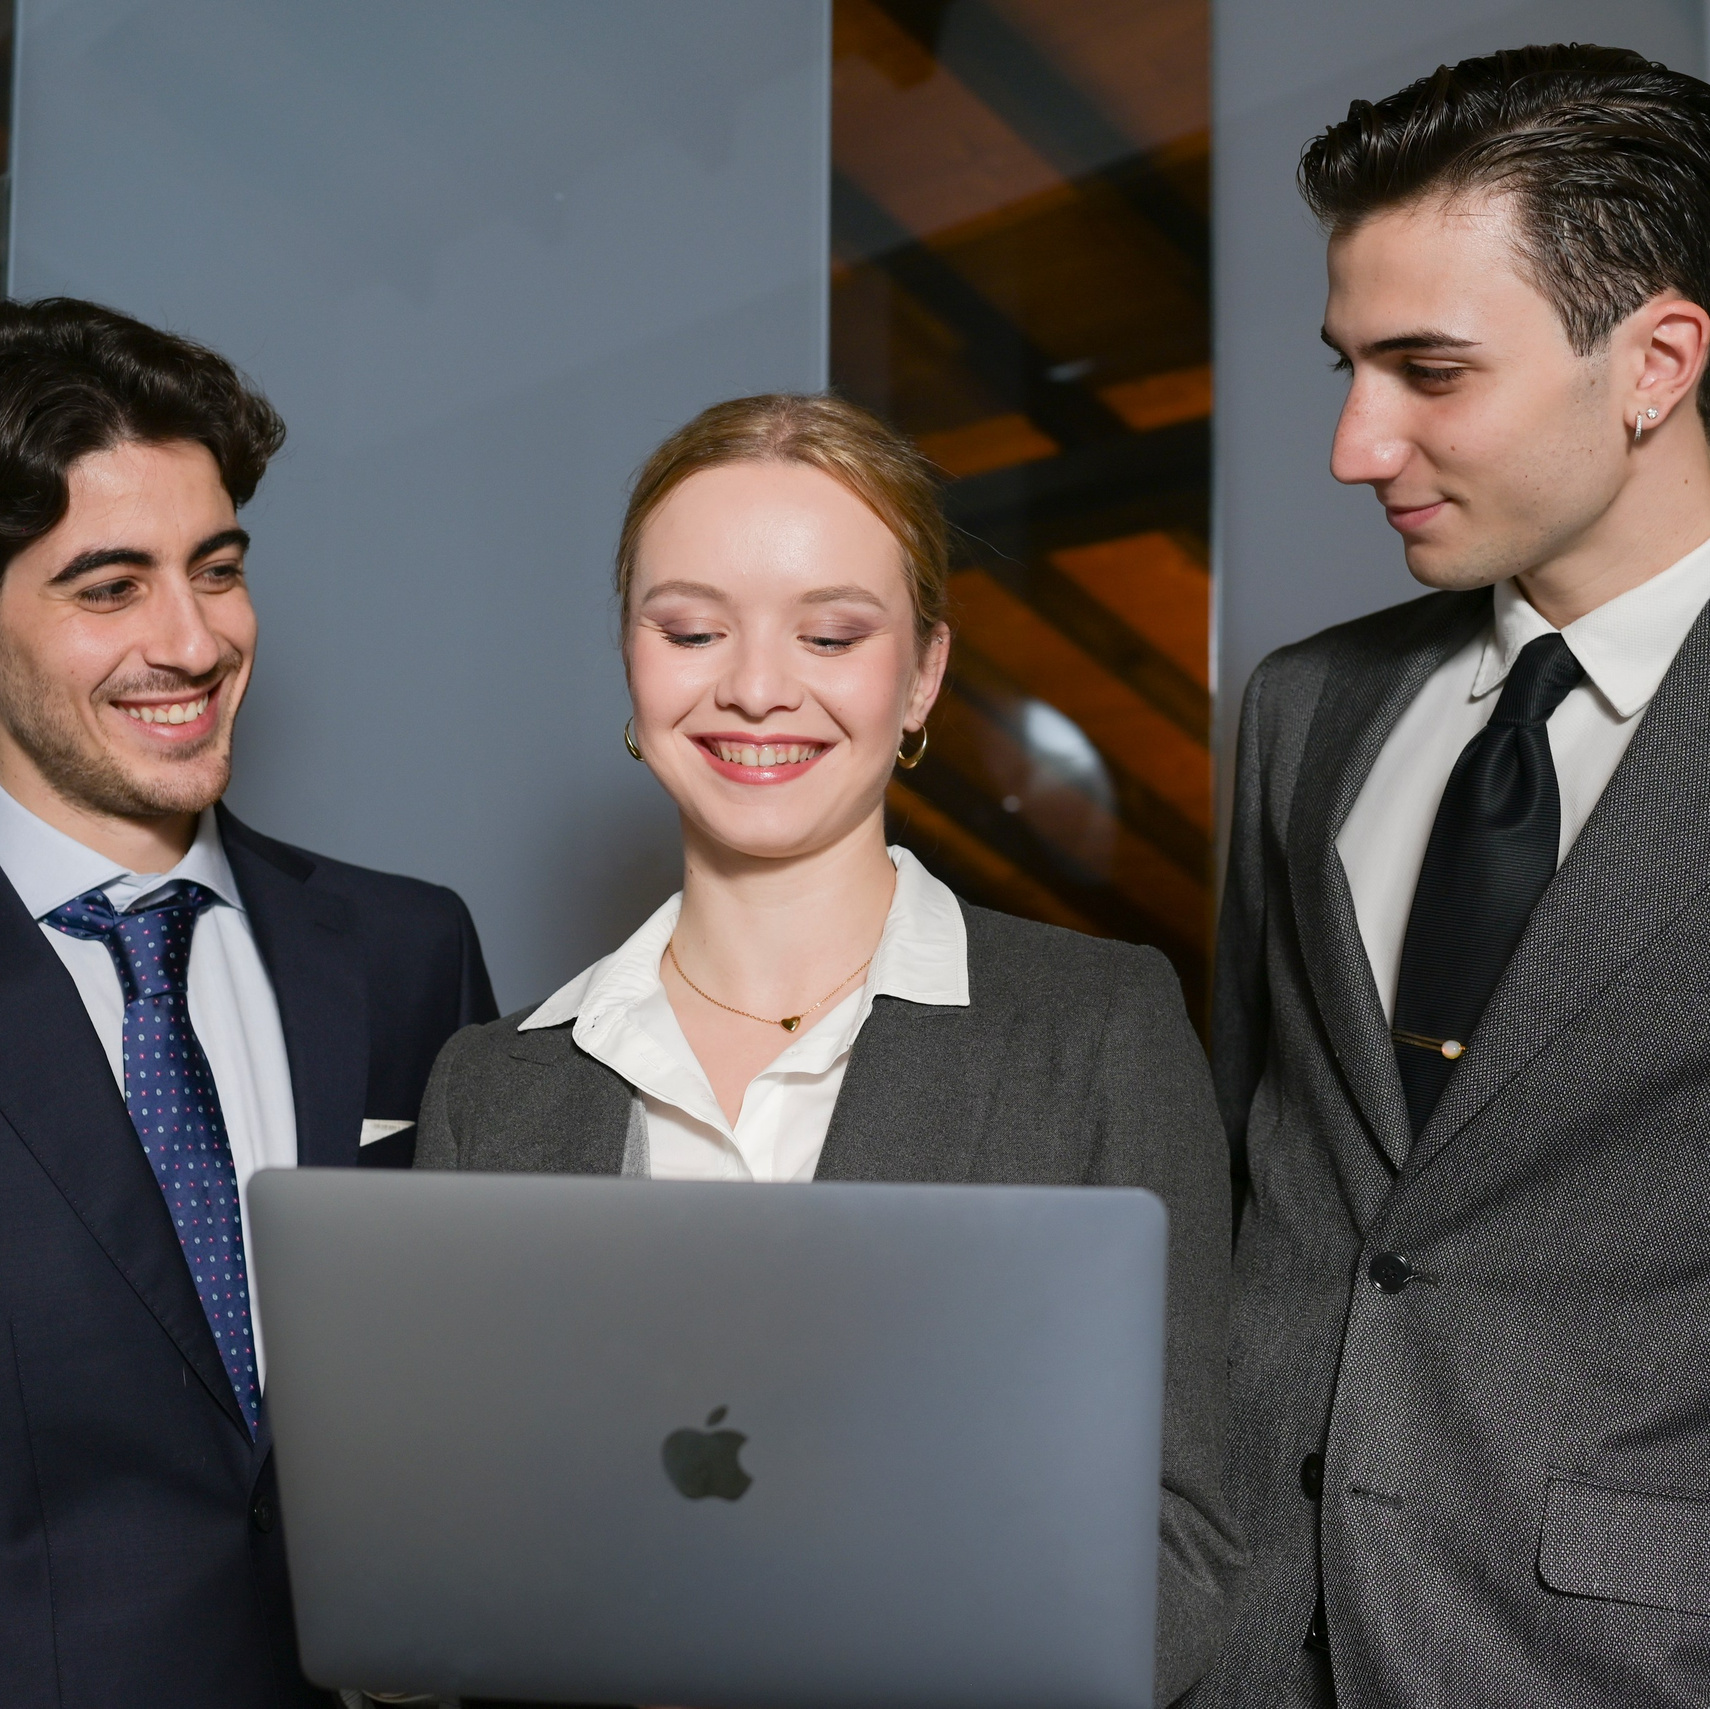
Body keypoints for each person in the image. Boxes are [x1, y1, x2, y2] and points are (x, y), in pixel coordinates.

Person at [415, 391, 1243, 1701]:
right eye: (690, 627)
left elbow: (1185, 1544)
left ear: (918, 673)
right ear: (631, 659)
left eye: (830, 632)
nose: (753, 684)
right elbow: (433, 1546)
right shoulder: (492, 1085)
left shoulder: (1093, 1028)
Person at [1195, 44, 1710, 1709]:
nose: (1356, 443)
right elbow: (1254, 1154)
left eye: (1428, 370)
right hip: (1246, 1636)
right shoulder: (1302, 707)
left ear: (1654, 360)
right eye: (1348, 366)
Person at [0, 298, 497, 1709]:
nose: (194, 638)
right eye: (109, 587)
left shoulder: (410, 950)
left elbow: (486, 1393)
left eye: (215, 569)